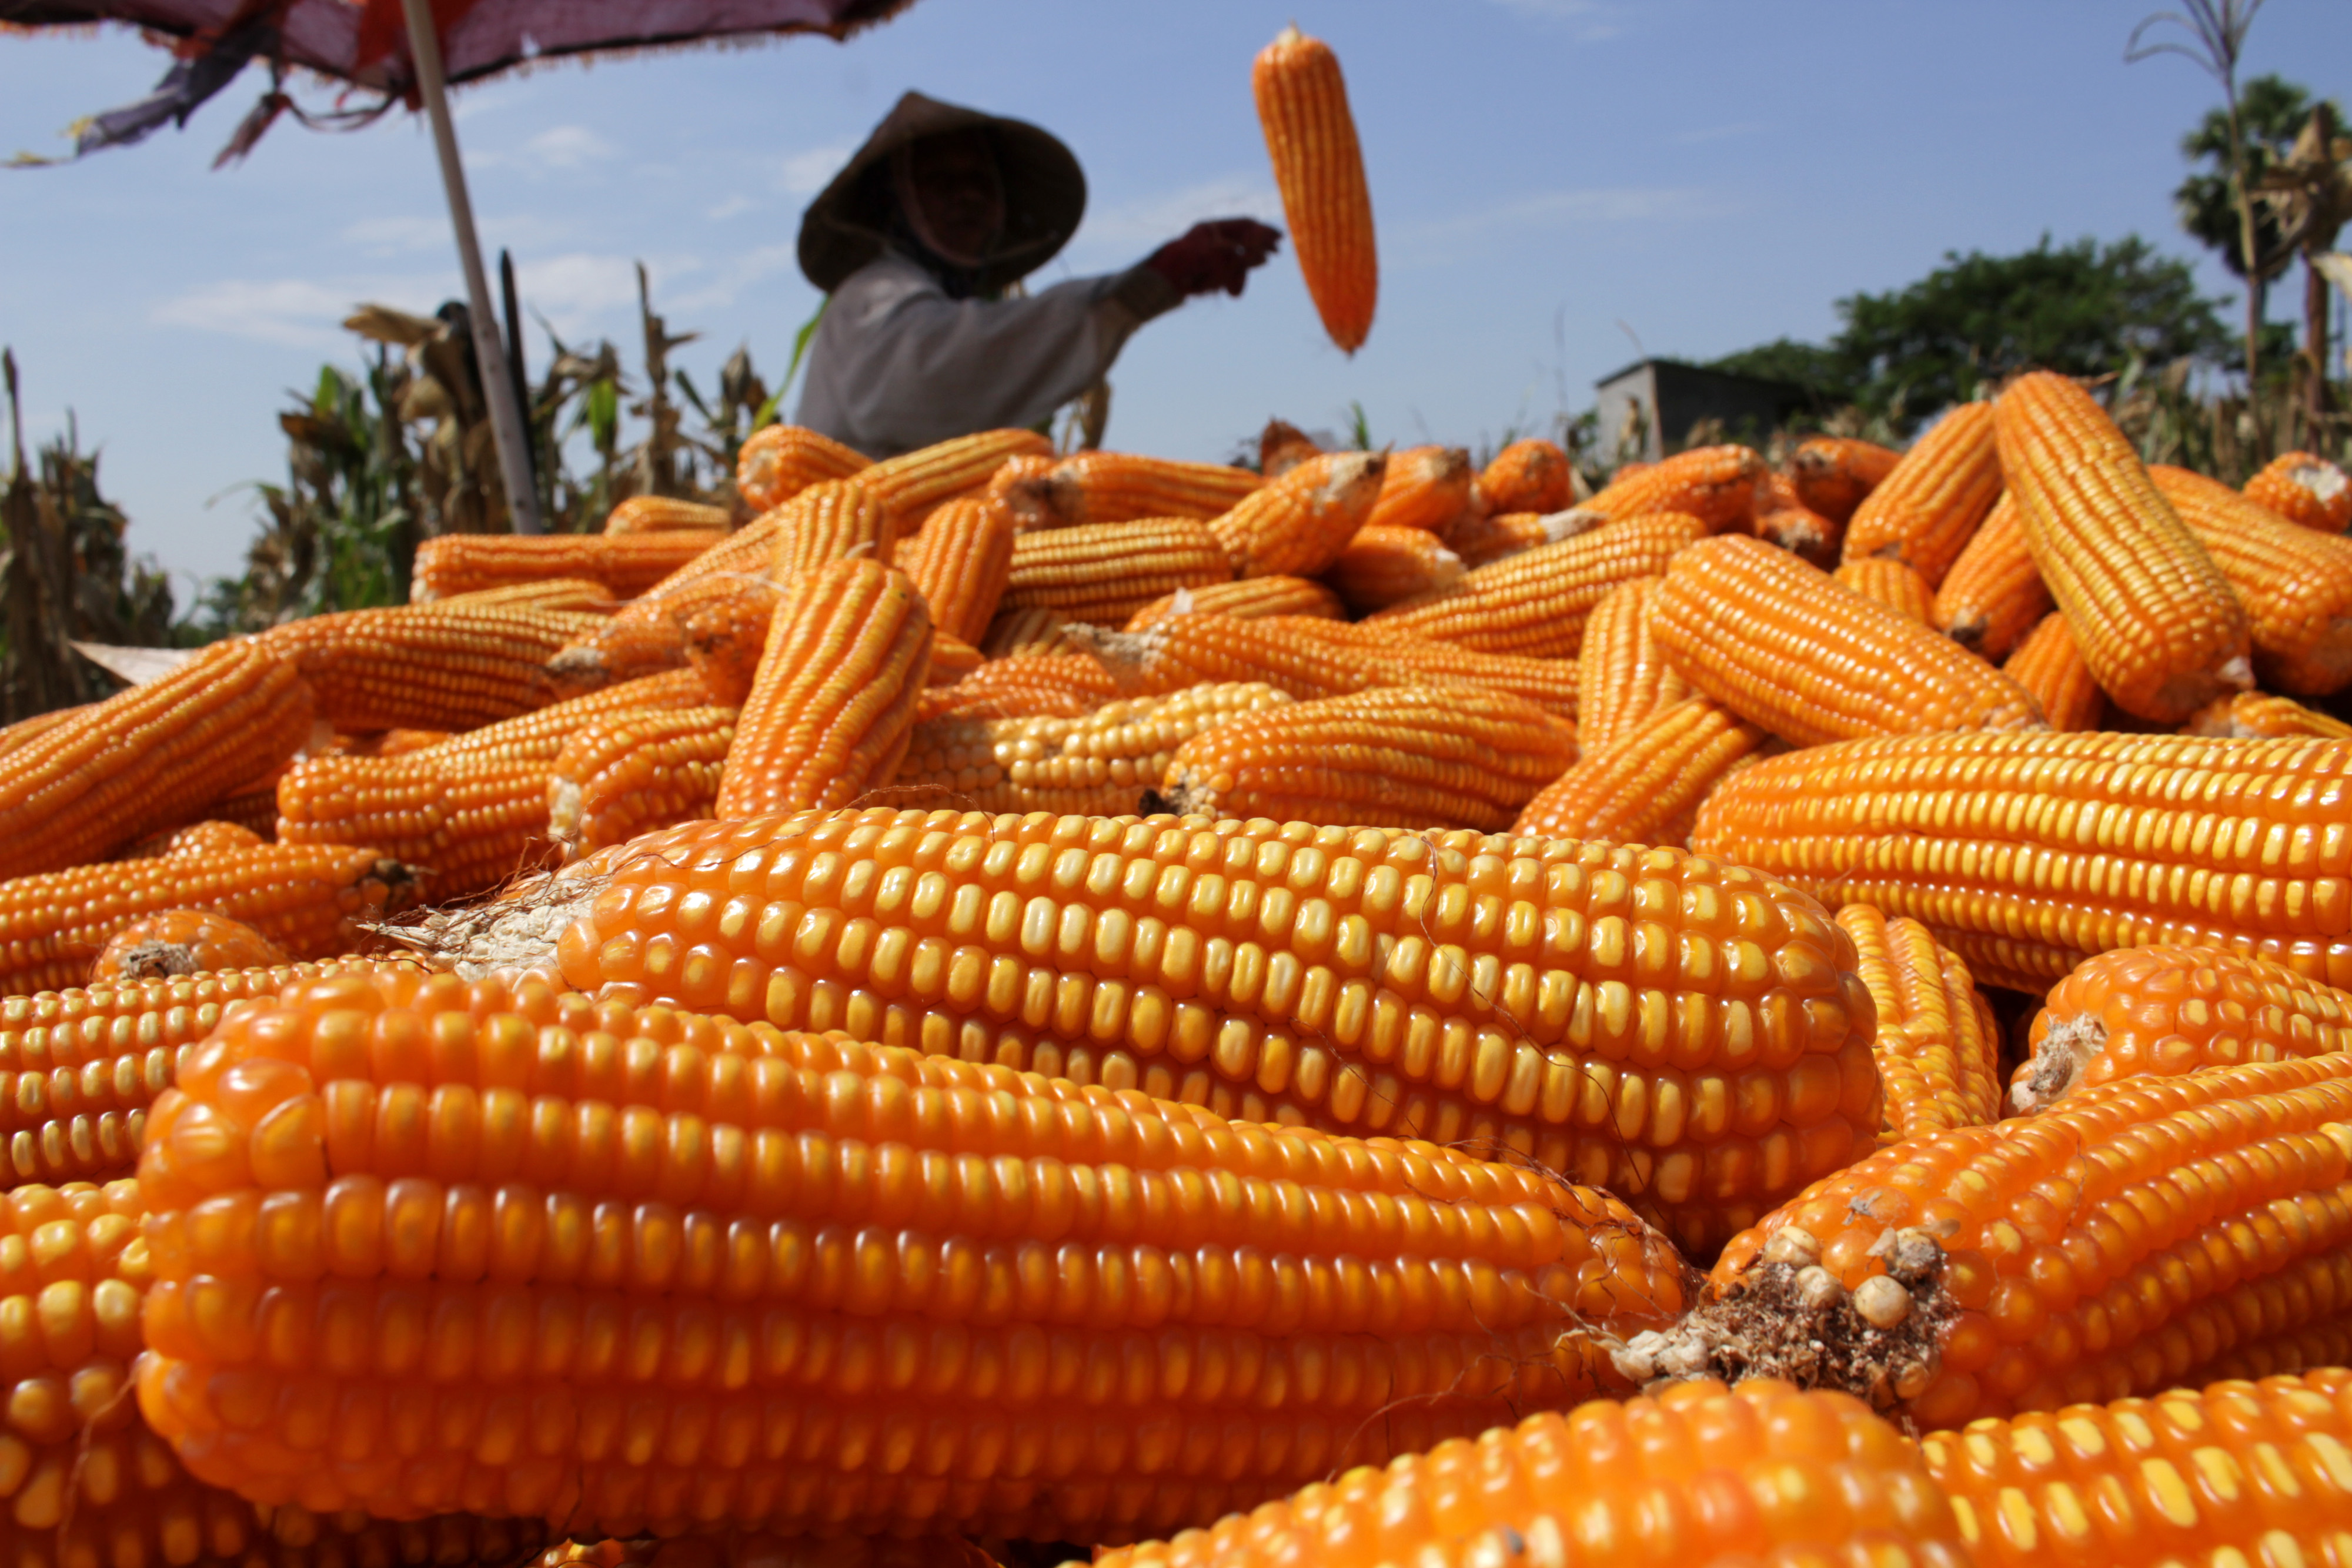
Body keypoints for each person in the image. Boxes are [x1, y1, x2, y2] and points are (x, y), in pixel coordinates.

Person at [794, 92, 1281, 458]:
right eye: (941, 183)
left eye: (980, 181)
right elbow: (941, 375)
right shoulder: (874, 294)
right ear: (896, 205)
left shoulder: (931, 297)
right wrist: (1145, 285)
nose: (968, 196)